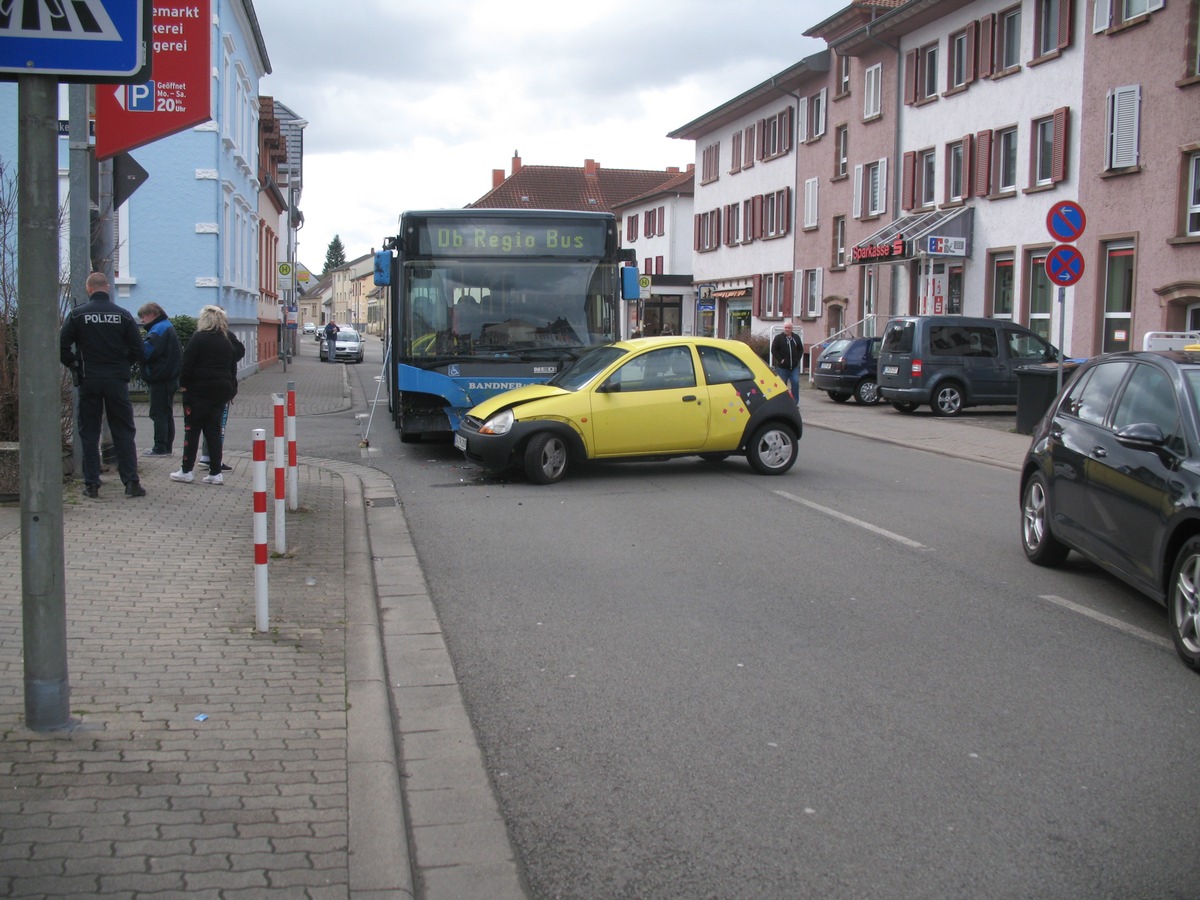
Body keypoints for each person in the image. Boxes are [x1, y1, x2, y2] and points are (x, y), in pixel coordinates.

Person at [59, 272, 146, 499]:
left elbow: (62, 346)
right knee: (123, 431)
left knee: (89, 432)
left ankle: (91, 485)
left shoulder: (78, 315)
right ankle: (131, 483)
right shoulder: (123, 315)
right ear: (107, 288)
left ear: (89, 289)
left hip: (89, 380)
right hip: (117, 381)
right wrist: (123, 364)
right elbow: (139, 350)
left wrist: (74, 365)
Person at [171, 306, 244, 486]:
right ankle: (215, 472)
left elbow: (187, 364)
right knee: (214, 431)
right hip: (221, 391)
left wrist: (183, 385)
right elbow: (232, 367)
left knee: (192, 430)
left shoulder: (198, 338)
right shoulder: (227, 341)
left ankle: (187, 470)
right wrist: (231, 388)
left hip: (198, 391)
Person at [137, 302, 182, 457]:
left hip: (160, 378)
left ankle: (160, 448)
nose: (142, 320)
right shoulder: (166, 326)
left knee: (158, 413)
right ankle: (166, 446)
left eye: (143, 316)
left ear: (152, 314)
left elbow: (146, 353)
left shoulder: (158, 330)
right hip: (169, 378)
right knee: (166, 412)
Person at [771, 320, 805, 401]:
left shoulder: (796, 337)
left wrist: (797, 359)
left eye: (789, 328)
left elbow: (800, 349)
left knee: (795, 382)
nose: (787, 329)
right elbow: (774, 350)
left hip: (794, 367)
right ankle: (783, 402)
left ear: (791, 329)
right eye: (786, 328)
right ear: (783, 328)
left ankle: (795, 402)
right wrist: (780, 360)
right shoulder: (778, 338)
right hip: (782, 368)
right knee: (783, 385)